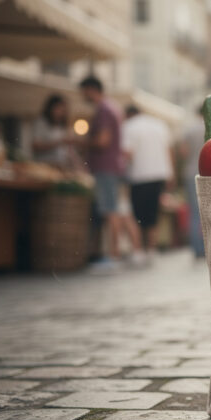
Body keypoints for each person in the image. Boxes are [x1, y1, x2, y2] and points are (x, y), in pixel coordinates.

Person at [79, 76, 124, 273]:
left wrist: (82, 142)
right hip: (110, 166)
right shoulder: (111, 107)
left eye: (84, 91)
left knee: (109, 210)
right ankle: (112, 254)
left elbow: (103, 140)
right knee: (110, 209)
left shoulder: (104, 110)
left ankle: (113, 255)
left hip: (105, 166)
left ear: (91, 89)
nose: (83, 95)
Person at [122, 105, 173, 256]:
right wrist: (171, 174)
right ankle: (152, 249)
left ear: (128, 115)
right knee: (152, 213)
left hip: (138, 175)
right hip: (159, 174)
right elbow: (168, 150)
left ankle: (138, 251)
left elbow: (128, 153)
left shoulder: (128, 127)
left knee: (137, 214)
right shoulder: (159, 125)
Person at [180, 107, 206, 258]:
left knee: (194, 213)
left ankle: (197, 249)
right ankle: (210, 247)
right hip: (208, 173)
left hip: (191, 172)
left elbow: (184, 152)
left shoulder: (190, 130)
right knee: (208, 211)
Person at [32, 95, 79, 170]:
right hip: (45, 166)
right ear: (51, 108)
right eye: (58, 109)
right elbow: (35, 146)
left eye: (63, 110)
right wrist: (60, 142)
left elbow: (70, 151)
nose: (61, 112)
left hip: (62, 166)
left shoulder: (64, 126)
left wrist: (78, 166)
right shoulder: (41, 123)